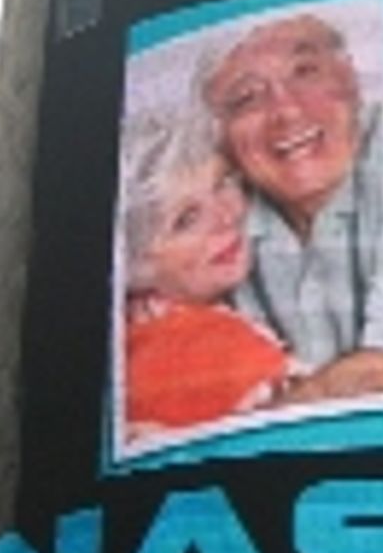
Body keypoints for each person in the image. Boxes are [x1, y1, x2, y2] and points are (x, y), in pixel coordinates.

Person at [201, 11, 383, 404]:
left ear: (350, 78)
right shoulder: (216, 204)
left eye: (305, 72)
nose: (287, 111)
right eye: (247, 98)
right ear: (222, 135)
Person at [118, 108, 292, 442]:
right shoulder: (220, 348)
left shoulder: (138, 332)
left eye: (222, 183)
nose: (226, 215)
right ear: (134, 259)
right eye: (186, 219)